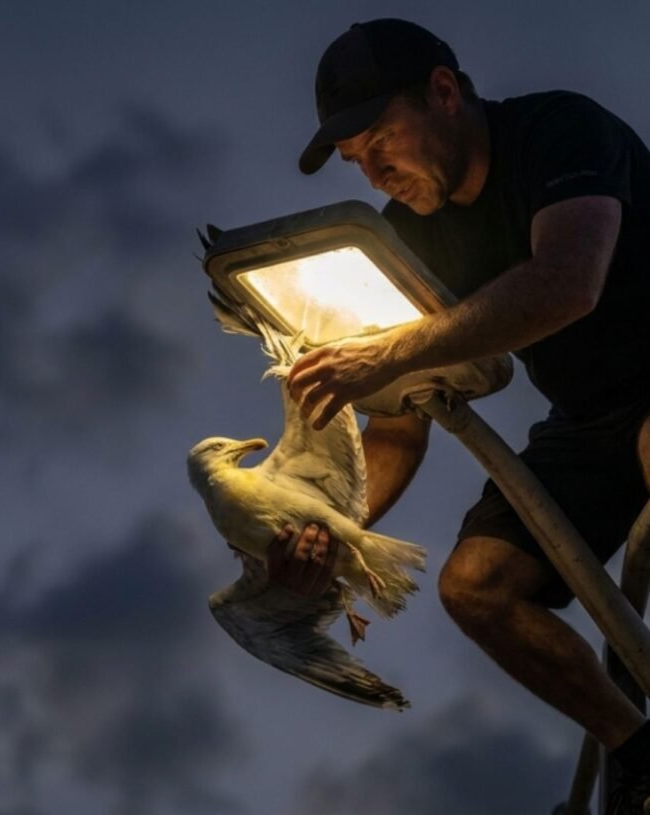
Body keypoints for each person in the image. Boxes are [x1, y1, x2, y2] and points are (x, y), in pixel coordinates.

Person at [271, 18, 650, 815]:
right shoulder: (407, 239)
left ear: (444, 92)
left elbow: (568, 281)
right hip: (588, 420)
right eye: (356, 161)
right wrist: (335, 526)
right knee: (474, 586)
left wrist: (387, 351)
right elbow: (398, 424)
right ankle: (640, 756)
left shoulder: (559, 130)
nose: (376, 173)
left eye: (383, 142)